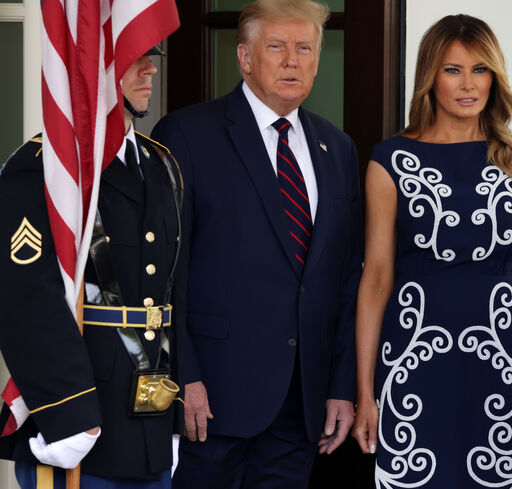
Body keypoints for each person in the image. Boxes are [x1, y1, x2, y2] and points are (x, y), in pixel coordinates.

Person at [150, 0, 362, 487]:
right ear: (245, 58)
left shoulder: (338, 148)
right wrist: (182, 377)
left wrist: (340, 385)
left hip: (301, 403)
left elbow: (348, 275)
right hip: (211, 399)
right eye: (277, 47)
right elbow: (164, 271)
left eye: (304, 48)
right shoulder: (186, 134)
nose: (292, 60)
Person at [352, 14, 512, 488]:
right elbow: (376, 279)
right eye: (452, 69)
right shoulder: (389, 161)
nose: (469, 84)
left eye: (480, 69)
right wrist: (365, 393)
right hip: (413, 359)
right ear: (429, 77)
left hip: (506, 358)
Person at [0, 45, 185, 488]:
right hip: (83, 422)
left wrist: (171, 422)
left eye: (152, 54)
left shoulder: (161, 164)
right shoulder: (43, 167)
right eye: (131, 57)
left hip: (151, 420)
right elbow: (26, 297)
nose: (151, 68)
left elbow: (173, 294)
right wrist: (69, 413)